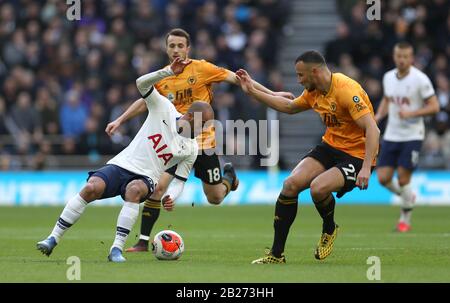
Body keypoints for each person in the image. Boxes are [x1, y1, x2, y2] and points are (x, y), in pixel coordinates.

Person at [105, 28, 294, 252]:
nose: (176, 50)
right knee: (157, 188)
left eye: (180, 46)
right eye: (172, 46)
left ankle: (228, 179)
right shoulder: (163, 76)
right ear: (166, 49)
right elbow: (144, 101)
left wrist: (273, 94)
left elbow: (239, 79)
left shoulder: (202, 68)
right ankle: (143, 242)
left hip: (203, 144)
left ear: (188, 48)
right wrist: (120, 119)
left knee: (214, 197)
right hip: (174, 144)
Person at [37, 58, 213, 262]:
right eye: (204, 124)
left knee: (134, 190)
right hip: (122, 164)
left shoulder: (191, 148)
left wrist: (171, 196)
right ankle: (52, 238)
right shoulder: (163, 108)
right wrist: (166, 73)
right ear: (191, 117)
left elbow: (180, 181)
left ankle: (116, 249)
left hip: (147, 178)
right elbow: (141, 84)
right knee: (91, 188)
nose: (205, 129)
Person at [235, 50, 380, 264]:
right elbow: (289, 106)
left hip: (356, 155)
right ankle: (276, 255)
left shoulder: (346, 90)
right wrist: (252, 90)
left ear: (314, 72)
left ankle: (329, 228)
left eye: (301, 75)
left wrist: (366, 168)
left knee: (318, 188)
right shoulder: (314, 91)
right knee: (290, 184)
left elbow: (373, 130)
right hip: (330, 147)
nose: (298, 80)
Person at [374, 42, 439, 232]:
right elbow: (387, 99)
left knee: (403, 179)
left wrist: (411, 113)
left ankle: (405, 220)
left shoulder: (421, 79)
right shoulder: (388, 77)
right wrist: (379, 116)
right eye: (399, 56)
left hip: (412, 135)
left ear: (411, 58)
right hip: (392, 134)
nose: (402, 60)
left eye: (406, 57)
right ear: (395, 57)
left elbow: (434, 107)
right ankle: (408, 197)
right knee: (383, 178)